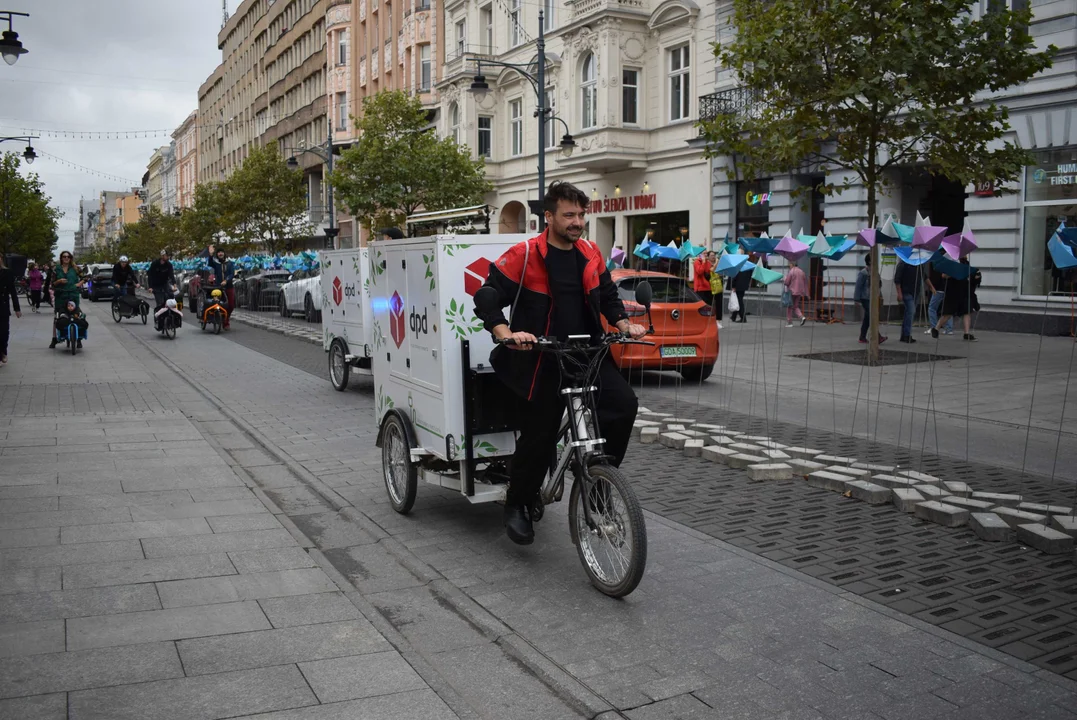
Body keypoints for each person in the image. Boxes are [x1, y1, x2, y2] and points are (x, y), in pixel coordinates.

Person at [474, 181, 646, 546]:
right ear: (549, 216)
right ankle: (518, 503)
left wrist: (623, 323)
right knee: (539, 436)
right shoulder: (525, 253)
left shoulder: (590, 252)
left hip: (587, 354)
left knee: (624, 405)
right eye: (569, 215)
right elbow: (487, 295)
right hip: (541, 359)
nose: (578, 222)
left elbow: (607, 295)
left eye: (581, 215)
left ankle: (599, 477)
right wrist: (505, 331)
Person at [931, 258, 977, 341]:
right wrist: (953, 273)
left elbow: (969, 274)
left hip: (964, 290)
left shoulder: (965, 262)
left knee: (967, 311)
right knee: (948, 313)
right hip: (952, 291)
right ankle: (936, 328)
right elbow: (944, 275)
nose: (965, 255)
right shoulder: (950, 261)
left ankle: (966, 333)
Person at [49, 251, 82, 349]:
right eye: (64, 257)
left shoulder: (76, 269)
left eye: (68, 256)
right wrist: (59, 281)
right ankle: (54, 338)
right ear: (61, 258)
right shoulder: (56, 269)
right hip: (61, 295)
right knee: (57, 317)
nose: (66, 258)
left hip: (73, 295)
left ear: (71, 258)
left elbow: (86, 277)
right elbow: (52, 284)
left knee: (76, 315)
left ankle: (78, 338)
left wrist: (79, 284)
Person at [854, 254, 887, 345]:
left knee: (868, 318)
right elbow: (858, 286)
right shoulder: (864, 272)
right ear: (869, 261)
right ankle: (877, 336)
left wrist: (880, 296)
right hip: (865, 297)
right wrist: (856, 299)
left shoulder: (876, 272)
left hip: (873, 297)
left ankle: (862, 337)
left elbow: (878, 286)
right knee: (872, 316)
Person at [202, 245, 236, 330]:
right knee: (218, 304)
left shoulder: (230, 263)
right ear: (217, 254)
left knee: (231, 305)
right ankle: (217, 318)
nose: (220, 254)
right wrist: (210, 254)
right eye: (219, 252)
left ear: (224, 254)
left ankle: (226, 320)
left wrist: (226, 280)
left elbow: (232, 274)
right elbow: (210, 263)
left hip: (228, 286)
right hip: (218, 287)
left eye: (222, 252)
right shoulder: (216, 263)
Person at [893, 257, 924, 343]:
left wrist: (931, 287)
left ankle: (904, 335)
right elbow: (897, 279)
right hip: (906, 292)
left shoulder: (918, 264)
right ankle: (906, 335)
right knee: (911, 311)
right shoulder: (903, 264)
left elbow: (924, 276)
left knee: (909, 313)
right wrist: (899, 293)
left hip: (915, 292)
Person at [0, 255, 22, 365]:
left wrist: (17, 308)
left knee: (4, 332)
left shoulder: (7, 273)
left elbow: (13, 291)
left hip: (3, 305)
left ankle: (3, 351)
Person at [924, 265, 953, 336]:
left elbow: (940, 276)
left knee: (932, 308)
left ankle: (934, 327)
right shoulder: (950, 264)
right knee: (948, 309)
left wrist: (932, 287)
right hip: (947, 289)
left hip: (938, 289)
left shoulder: (938, 265)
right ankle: (949, 329)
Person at [783, 260, 808, 327]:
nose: (789, 266)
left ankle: (789, 322)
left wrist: (784, 279)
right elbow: (805, 282)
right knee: (795, 306)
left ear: (791, 264)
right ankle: (802, 317)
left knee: (789, 306)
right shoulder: (801, 271)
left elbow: (787, 282)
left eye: (789, 264)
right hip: (799, 292)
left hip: (792, 291)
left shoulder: (791, 271)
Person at [707, 251, 724, 329]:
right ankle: (710, 320)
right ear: (708, 257)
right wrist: (717, 262)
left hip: (718, 286)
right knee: (710, 304)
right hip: (710, 286)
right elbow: (711, 270)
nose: (713, 257)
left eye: (714, 255)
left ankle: (718, 320)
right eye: (711, 255)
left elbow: (721, 273)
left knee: (719, 303)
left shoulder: (719, 265)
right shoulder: (707, 264)